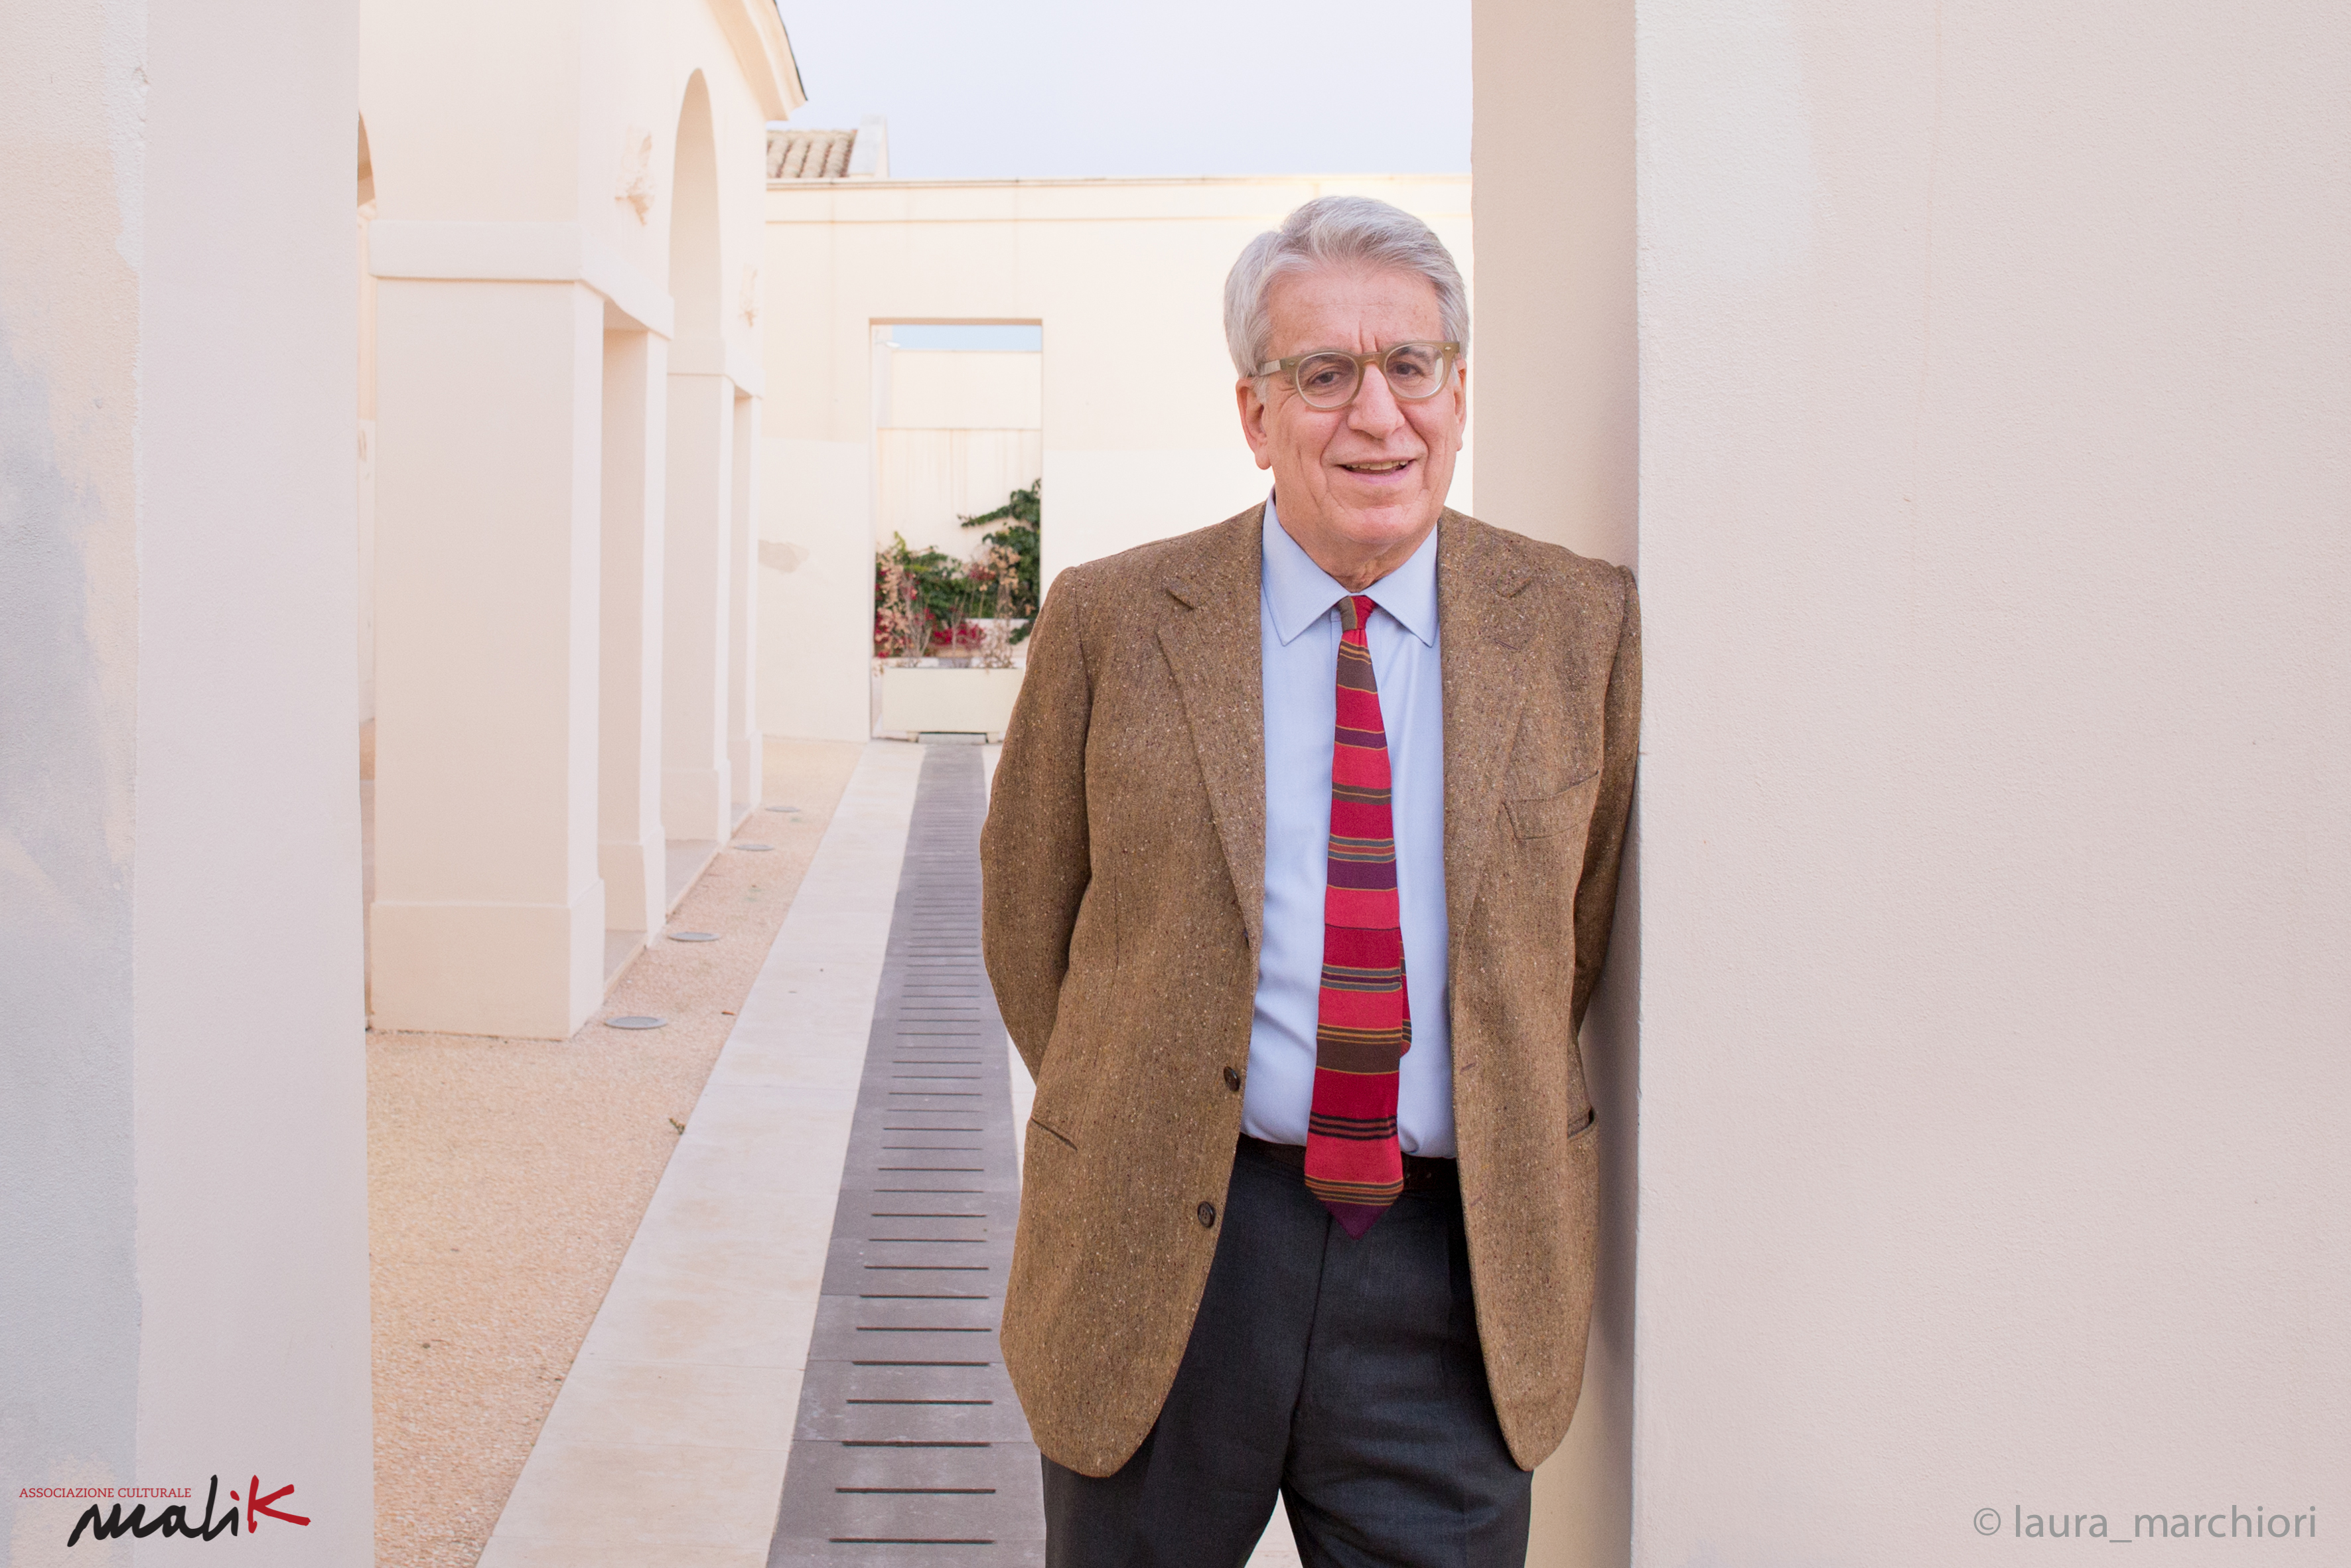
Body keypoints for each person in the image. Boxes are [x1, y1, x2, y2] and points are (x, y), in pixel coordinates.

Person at [980, 194, 1640, 1567]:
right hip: (1161, 1257)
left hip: (1450, 1288)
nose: (1375, 415)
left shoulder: (1581, 627)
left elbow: (1564, 943)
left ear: (1457, 391)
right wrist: (1146, 1091)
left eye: (1409, 365)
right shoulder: (1112, 621)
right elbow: (1027, 923)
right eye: (1322, 374)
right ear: (1254, 413)